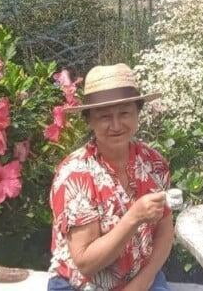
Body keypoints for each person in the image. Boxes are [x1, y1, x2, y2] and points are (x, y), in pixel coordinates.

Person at [48, 64, 174, 291]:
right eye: (105, 116)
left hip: (141, 276)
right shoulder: (76, 174)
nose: (116, 125)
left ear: (137, 113)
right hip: (83, 285)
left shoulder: (153, 163)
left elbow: (165, 231)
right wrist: (133, 218)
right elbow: (86, 263)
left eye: (124, 113)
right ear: (89, 120)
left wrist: (142, 282)